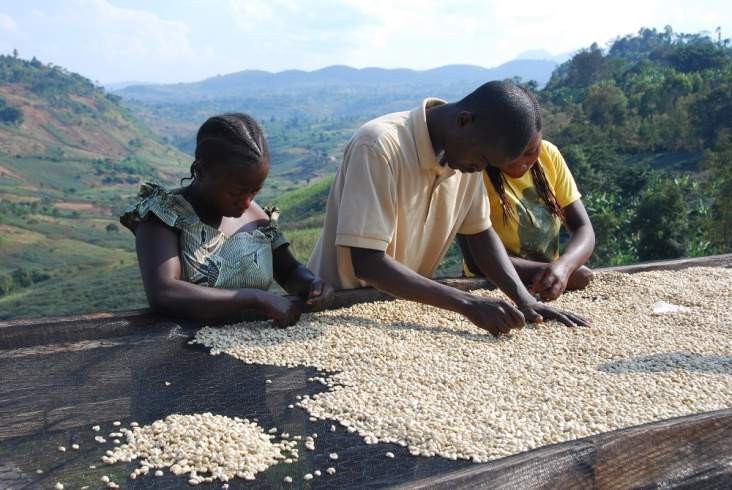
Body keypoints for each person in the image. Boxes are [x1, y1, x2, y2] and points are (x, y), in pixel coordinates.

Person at [308, 81, 589, 337]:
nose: (480, 169)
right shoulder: (378, 146)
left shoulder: (466, 157)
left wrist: (525, 300)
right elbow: (367, 262)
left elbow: (480, 235)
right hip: (337, 308)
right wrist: (468, 303)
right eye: (481, 159)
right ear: (464, 121)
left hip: (402, 306)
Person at [121, 113, 334, 326]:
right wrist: (254, 298)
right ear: (201, 171)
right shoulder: (165, 215)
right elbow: (164, 292)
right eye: (235, 193)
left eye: (255, 191)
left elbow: (289, 272)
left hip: (248, 345)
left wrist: (312, 284)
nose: (246, 202)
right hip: (182, 350)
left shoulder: (256, 218)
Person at [458, 87, 595, 301]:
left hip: (549, 284)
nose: (523, 163)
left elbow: (584, 228)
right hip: (490, 286)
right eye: (512, 155)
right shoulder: (474, 172)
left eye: (532, 151)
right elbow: (478, 259)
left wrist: (564, 267)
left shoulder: (549, 155)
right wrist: (549, 272)